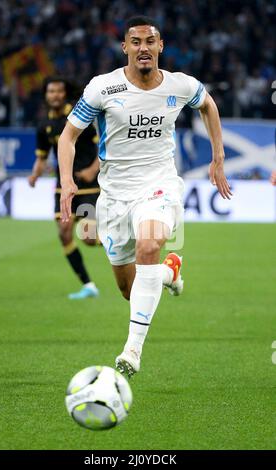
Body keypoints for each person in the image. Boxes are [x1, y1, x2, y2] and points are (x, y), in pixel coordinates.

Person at [58, 16, 232, 376]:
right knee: (129, 289)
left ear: (160, 47)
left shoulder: (180, 86)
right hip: (115, 196)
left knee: (149, 246)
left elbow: (208, 105)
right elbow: (67, 137)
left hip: (160, 185)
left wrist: (218, 155)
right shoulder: (102, 89)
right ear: (125, 48)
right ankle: (169, 273)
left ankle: (131, 352)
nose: (143, 48)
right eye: (135, 42)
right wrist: (67, 181)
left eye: (150, 41)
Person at [29, 77, 100, 300]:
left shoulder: (81, 116)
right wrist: (34, 175)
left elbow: (105, 147)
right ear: (46, 95)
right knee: (64, 233)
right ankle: (88, 285)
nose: (55, 95)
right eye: (51, 92)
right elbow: (42, 157)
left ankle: (123, 239)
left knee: (88, 238)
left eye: (59, 91)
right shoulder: (44, 125)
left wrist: (92, 170)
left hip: (88, 186)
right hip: (64, 187)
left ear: (64, 93)